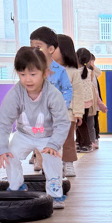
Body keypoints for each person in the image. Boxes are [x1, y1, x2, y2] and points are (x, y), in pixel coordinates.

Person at [0, 45, 69, 209]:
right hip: (23, 134)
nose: (27, 79)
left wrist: (54, 144)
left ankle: (55, 194)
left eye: (33, 74)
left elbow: (62, 122)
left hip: (48, 137)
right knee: (10, 154)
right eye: (22, 74)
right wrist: (1, 148)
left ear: (45, 73)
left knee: (52, 160)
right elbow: (3, 122)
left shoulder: (53, 94)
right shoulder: (15, 94)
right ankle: (16, 187)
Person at [29, 26, 74, 172]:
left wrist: (62, 107)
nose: (34, 50)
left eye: (38, 47)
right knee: (38, 140)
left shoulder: (60, 71)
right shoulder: (30, 69)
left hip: (54, 115)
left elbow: (67, 90)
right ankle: (41, 163)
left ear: (51, 49)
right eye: (32, 47)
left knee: (53, 143)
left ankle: (53, 169)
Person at [55, 33, 84, 177]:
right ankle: (54, 163)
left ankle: (68, 163)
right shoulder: (47, 70)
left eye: (54, 48)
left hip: (68, 113)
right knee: (51, 139)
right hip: (50, 114)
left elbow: (78, 93)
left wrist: (78, 113)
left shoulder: (73, 72)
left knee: (68, 140)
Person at [77, 48, 102, 152]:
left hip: (79, 101)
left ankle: (86, 144)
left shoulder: (75, 72)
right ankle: (80, 142)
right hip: (88, 101)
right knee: (82, 123)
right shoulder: (90, 72)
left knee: (80, 123)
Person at [89, 52, 106, 147]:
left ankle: (95, 138)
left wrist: (92, 66)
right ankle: (91, 139)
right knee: (90, 122)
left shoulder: (93, 72)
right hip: (89, 101)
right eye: (92, 61)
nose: (93, 63)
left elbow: (99, 72)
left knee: (95, 120)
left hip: (95, 101)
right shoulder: (85, 73)